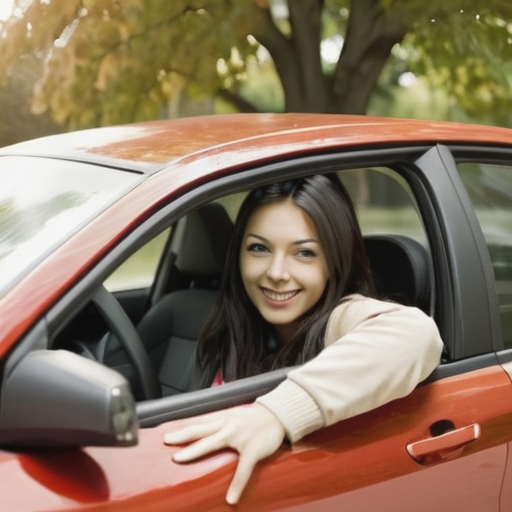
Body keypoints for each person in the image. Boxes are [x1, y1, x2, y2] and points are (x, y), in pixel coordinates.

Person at [163, 173, 444, 505]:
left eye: (305, 253)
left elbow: (417, 333)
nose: (276, 273)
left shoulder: (342, 317)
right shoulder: (229, 323)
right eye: (259, 248)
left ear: (335, 261)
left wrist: (274, 414)